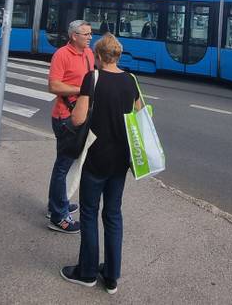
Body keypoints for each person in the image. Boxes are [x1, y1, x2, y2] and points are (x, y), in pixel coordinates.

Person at [60, 33, 142, 294]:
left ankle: (86, 273)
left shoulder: (92, 78)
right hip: (120, 161)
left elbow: (78, 118)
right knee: (113, 214)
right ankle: (111, 276)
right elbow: (140, 116)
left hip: (96, 158)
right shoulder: (130, 80)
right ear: (117, 55)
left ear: (97, 56)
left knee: (88, 213)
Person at [46, 19, 95, 233]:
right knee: (63, 166)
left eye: (90, 33)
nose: (90, 37)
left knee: (67, 163)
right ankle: (58, 216)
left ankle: (55, 204)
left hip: (80, 116)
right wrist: (82, 90)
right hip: (65, 118)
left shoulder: (89, 54)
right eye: (85, 34)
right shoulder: (62, 55)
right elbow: (53, 86)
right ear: (73, 36)